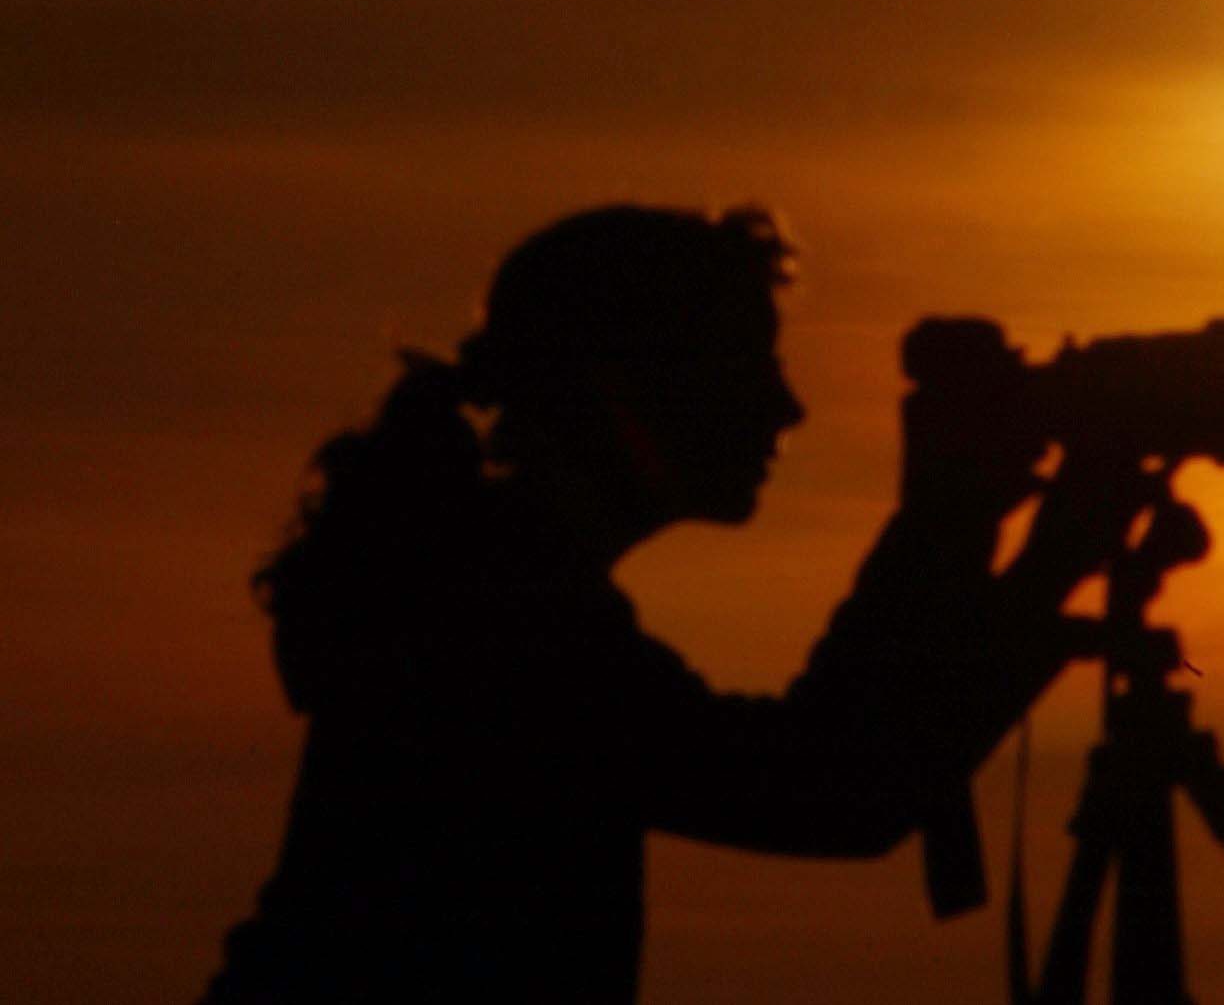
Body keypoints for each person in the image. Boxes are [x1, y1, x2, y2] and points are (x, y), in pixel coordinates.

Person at [201, 204, 1142, 1003]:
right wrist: (977, 535)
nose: (786, 409)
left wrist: (1004, 552)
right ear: (632, 388)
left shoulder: (472, 582)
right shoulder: (498, 620)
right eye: (748, 366)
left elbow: (831, 774)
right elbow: (829, 790)